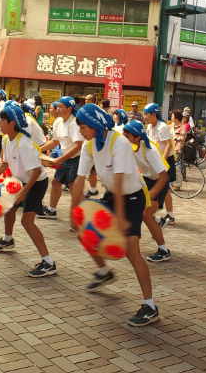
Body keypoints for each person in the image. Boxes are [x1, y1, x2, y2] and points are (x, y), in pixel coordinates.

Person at [71, 103, 159, 326]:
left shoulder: (119, 142)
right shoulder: (89, 146)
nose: (81, 130)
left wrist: (119, 217)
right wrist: (74, 211)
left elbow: (119, 180)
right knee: (85, 232)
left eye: (83, 126)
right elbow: (80, 179)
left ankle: (150, 305)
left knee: (132, 251)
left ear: (95, 124)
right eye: (79, 126)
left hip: (131, 199)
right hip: (112, 195)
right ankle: (104, 271)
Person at [0, 103, 56, 278]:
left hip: (36, 183)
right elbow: (5, 163)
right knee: (9, 209)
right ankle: (8, 240)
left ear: (12, 123)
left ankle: (48, 262)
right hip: (20, 180)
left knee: (27, 221)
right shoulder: (5, 139)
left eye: (2, 120)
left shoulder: (24, 143)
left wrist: (24, 192)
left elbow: (37, 171)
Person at [123, 120, 171, 262]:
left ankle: (164, 250)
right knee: (138, 211)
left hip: (160, 181)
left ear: (137, 137)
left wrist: (150, 195)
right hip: (147, 180)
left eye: (127, 135)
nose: (124, 137)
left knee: (146, 214)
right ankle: (156, 221)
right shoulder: (131, 147)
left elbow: (164, 177)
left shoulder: (150, 150)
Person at [39, 96, 84, 219]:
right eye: (57, 106)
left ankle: (82, 215)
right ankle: (52, 210)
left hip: (77, 158)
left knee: (74, 187)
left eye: (60, 107)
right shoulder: (58, 122)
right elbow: (55, 141)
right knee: (56, 182)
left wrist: (61, 159)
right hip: (65, 158)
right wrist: (39, 149)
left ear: (69, 108)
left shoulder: (74, 123)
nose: (56, 109)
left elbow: (78, 146)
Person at [143, 103, 176, 228]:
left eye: (146, 114)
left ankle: (165, 215)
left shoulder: (162, 127)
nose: (144, 116)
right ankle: (169, 215)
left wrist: (162, 161)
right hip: (156, 161)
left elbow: (168, 145)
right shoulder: (150, 127)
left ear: (153, 114)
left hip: (165, 161)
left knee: (163, 189)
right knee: (165, 189)